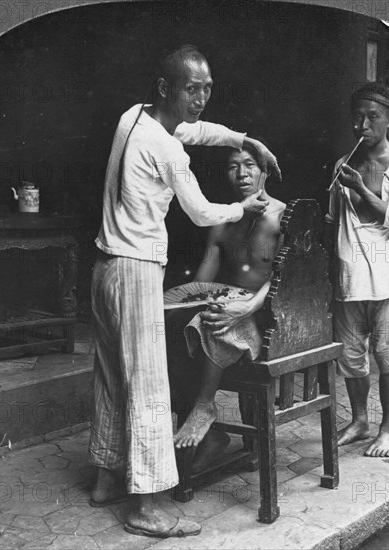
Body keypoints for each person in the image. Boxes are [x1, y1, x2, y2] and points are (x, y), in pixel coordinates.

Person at [89, 45, 281, 539]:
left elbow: (195, 130)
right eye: (191, 89)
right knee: (148, 386)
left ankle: (108, 477)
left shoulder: (133, 117)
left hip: (105, 267)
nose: (200, 99)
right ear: (164, 88)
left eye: (207, 89)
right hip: (134, 269)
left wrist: (242, 138)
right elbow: (199, 212)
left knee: (113, 375)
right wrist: (244, 208)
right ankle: (147, 505)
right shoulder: (167, 149)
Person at [171, 142, 286, 471]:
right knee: (178, 325)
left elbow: (285, 280)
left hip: (268, 315)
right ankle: (210, 435)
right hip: (229, 310)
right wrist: (200, 304)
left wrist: (248, 307)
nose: (242, 172)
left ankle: (205, 405)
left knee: (223, 321)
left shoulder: (283, 216)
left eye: (249, 164)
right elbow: (204, 282)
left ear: (264, 170)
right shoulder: (222, 221)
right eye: (233, 166)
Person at [324, 82, 389, 458]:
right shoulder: (342, 166)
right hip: (350, 277)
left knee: (388, 356)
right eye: (357, 118)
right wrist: (331, 269)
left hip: (388, 278)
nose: (362, 125)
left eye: (372, 117)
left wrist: (362, 190)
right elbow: (334, 220)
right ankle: (361, 420)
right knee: (350, 358)